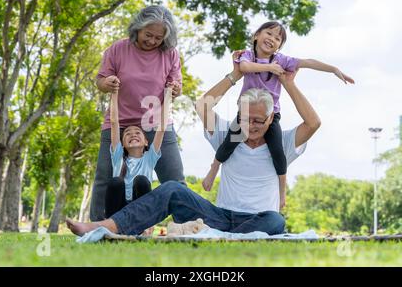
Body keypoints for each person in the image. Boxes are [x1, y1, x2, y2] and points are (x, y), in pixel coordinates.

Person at [67, 51, 321, 236]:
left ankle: (221, 238)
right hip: (219, 217)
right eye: (245, 119)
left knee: (275, 220)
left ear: (270, 119)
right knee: (171, 189)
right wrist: (235, 74)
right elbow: (203, 105)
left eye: (258, 120)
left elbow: (313, 123)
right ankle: (105, 227)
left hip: (260, 219)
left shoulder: (283, 144)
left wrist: (289, 83)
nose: (251, 126)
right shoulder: (228, 136)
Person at [202, 21, 355, 210]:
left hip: (272, 113)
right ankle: (213, 169)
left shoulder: (280, 60)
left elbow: (307, 62)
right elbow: (245, 68)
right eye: (269, 34)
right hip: (244, 110)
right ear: (256, 36)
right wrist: (268, 69)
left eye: (278, 39)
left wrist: (333, 69)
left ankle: (282, 192)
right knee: (227, 144)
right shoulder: (248, 57)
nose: (273, 39)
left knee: (278, 152)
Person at [90, 5, 185, 221]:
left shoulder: (170, 55)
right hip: (119, 122)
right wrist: (107, 82)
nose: (152, 41)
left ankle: (187, 224)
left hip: (156, 124)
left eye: (158, 38)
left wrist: (176, 88)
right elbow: (100, 80)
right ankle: (98, 226)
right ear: (137, 28)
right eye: (148, 35)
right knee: (105, 177)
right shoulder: (118, 49)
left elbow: (176, 85)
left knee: (174, 179)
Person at [104, 87, 172, 218]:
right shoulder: (118, 157)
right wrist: (114, 92)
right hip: (119, 210)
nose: (133, 135)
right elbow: (114, 122)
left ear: (146, 142)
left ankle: (145, 226)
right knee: (116, 182)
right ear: (122, 144)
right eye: (127, 134)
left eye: (137, 133)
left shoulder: (149, 158)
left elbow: (162, 127)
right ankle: (110, 225)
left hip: (139, 209)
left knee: (141, 180)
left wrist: (168, 94)